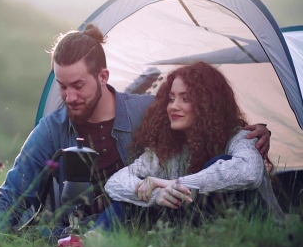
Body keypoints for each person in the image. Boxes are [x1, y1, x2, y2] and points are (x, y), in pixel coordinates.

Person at [0, 24, 272, 232]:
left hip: (145, 225)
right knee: (34, 237)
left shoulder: (148, 112)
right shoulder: (53, 128)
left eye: (78, 86)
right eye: (62, 87)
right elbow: (13, 194)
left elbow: (207, 130)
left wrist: (245, 134)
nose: (69, 97)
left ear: (103, 76)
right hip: (76, 231)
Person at [99, 62, 284, 232]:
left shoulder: (242, 136)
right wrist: (156, 194)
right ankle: (88, 240)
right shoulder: (169, 148)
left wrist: (176, 184)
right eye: (171, 99)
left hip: (257, 231)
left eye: (185, 99)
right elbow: (115, 182)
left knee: (220, 162)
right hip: (200, 233)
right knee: (137, 196)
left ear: (207, 104)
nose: (173, 107)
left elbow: (249, 173)